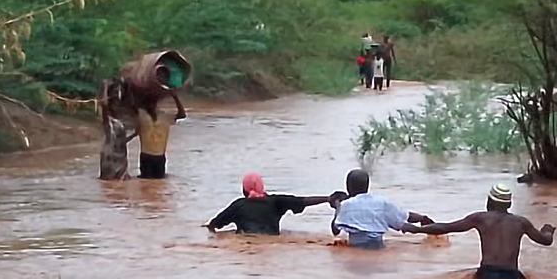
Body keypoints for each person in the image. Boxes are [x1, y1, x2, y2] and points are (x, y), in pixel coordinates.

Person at [402, 183, 555, 279]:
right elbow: (545, 240)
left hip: (487, 274)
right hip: (513, 275)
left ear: (489, 201)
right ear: (509, 204)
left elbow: (446, 227)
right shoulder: (521, 222)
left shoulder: (481, 218)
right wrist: (547, 230)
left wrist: (417, 229)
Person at [101, 60, 188, 180]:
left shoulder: (164, 117)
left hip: (160, 157)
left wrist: (175, 96)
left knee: (157, 188)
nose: (152, 104)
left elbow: (182, 115)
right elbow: (131, 103)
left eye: (154, 102)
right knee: (148, 184)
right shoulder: (142, 116)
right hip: (146, 157)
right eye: (150, 102)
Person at [206, 173, 344, 235]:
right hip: (271, 240)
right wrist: (328, 198)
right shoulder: (275, 202)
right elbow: (302, 201)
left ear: (243, 190)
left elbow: (214, 225)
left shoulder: (238, 206)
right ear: (262, 187)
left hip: (245, 242)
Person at [331, 169, 433, 249]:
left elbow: (335, 230)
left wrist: (337, 207)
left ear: (348, 187)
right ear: (367, 185)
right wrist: (422, 218)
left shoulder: (345, 205)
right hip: (378, 246)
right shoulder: (382, 202)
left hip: (356, 248)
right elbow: (404, 216)